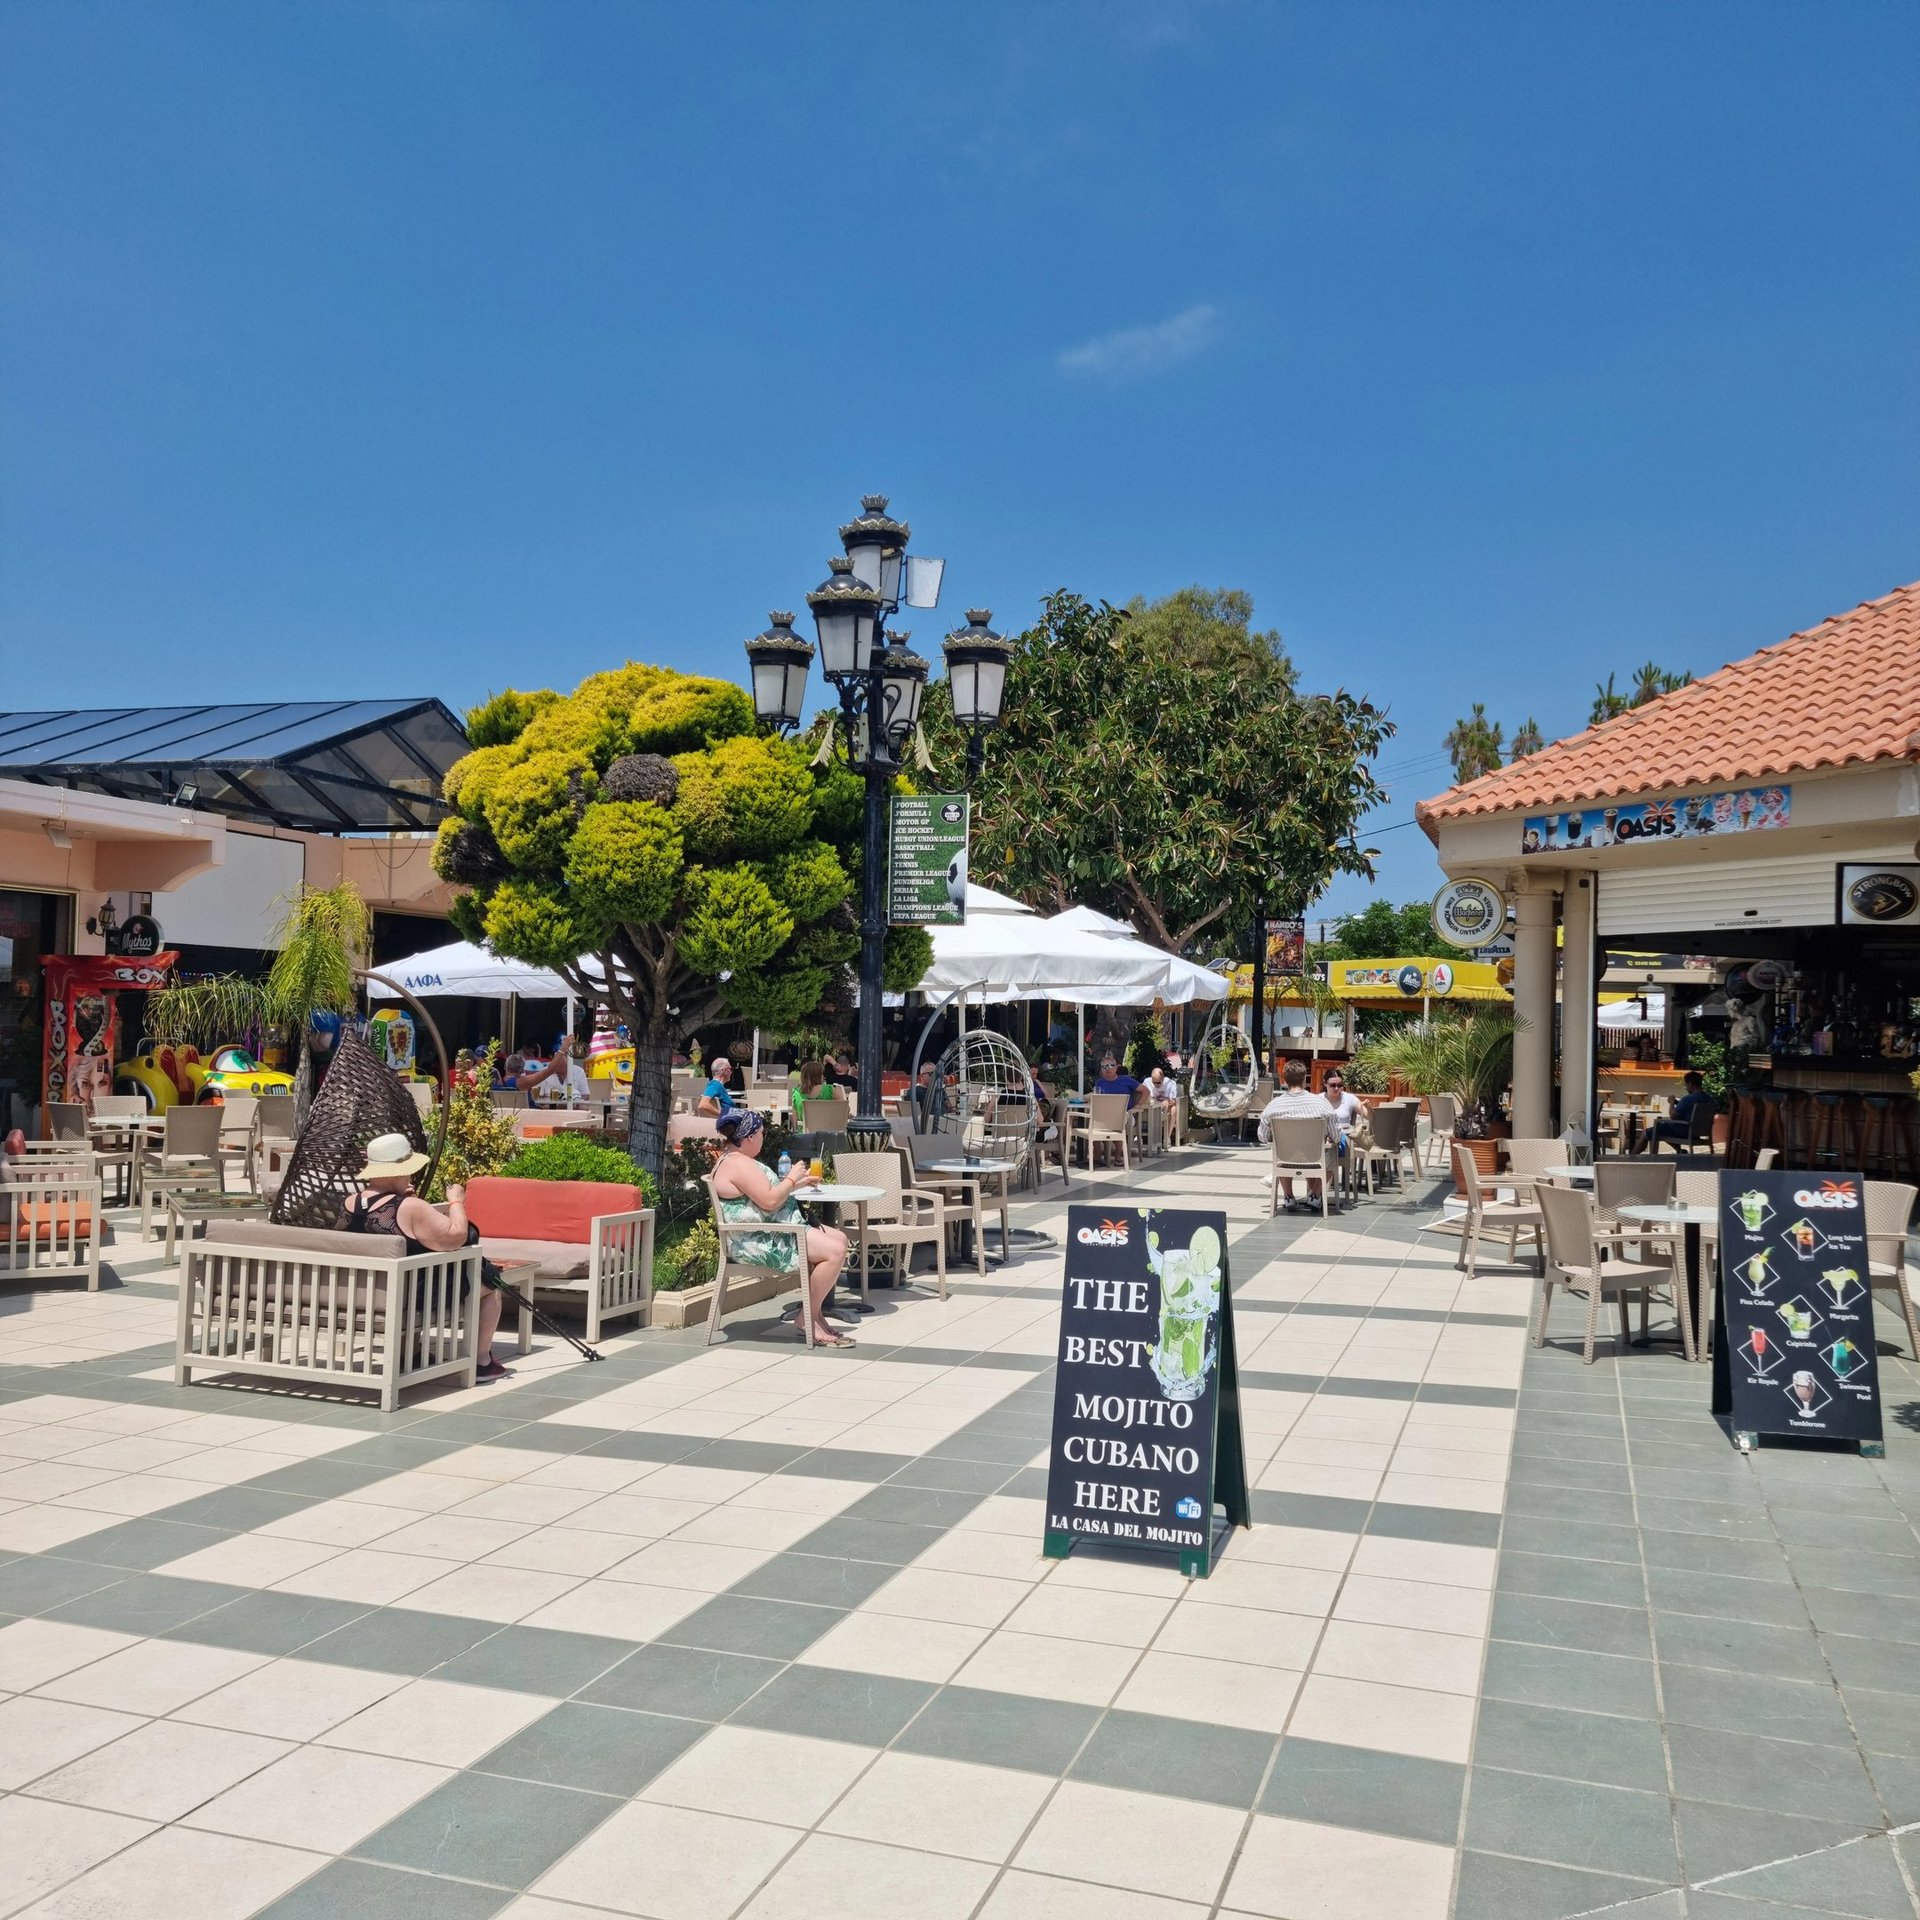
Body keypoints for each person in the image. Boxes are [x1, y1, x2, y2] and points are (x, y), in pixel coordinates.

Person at [342, 1133, 509, 1381]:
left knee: (414, 1277)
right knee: (490, 1281)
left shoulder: (349, 1203)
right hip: (405, 1298)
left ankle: (410, 1352)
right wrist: (456, 1203)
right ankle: (481, 1360)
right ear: (399, 1172)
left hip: (360, 1295)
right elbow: (459, 1236)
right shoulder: (410, 1208)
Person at [709, 1107, 852, 1347]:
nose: (763, 1138)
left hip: (769, 1232)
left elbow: (764, 1198)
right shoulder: (739, 1164)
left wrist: (797, 1183)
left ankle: (814, 1314)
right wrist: (791, 1178)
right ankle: (807, 1317)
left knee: (840, 1239)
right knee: (835, 1251)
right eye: (762, 1133)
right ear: (751, 1136)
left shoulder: (735, 1160)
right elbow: (770, 1201)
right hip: (758, 1241)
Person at [1257, 1060, 1339, 1212]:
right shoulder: (1321, 1104)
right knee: (1332, 1153)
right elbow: (1336, 1135)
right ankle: (1315, 1194)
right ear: (1305, 1078)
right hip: (1315, 1160)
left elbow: (1262, 1137)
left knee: (1279, 1149)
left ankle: (1288, 1196)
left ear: (1284, 1079)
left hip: (1285, 1160)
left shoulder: (1273, 1106)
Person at [1651, 1071, 1717, 1150]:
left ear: (1690, 1083)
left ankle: (1633, 1156)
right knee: (1663, 1128)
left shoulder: (1688, 1099)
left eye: (1686, 1085)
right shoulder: (1709, 1099)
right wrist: (1677, 1102)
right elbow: (1691, 1110)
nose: (1686, 1088)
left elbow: (1673, 1116)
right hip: (1698, 1132)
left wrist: (1671, 1103)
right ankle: (1679, 1151)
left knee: (1652, 1130)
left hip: (1684, 1131)